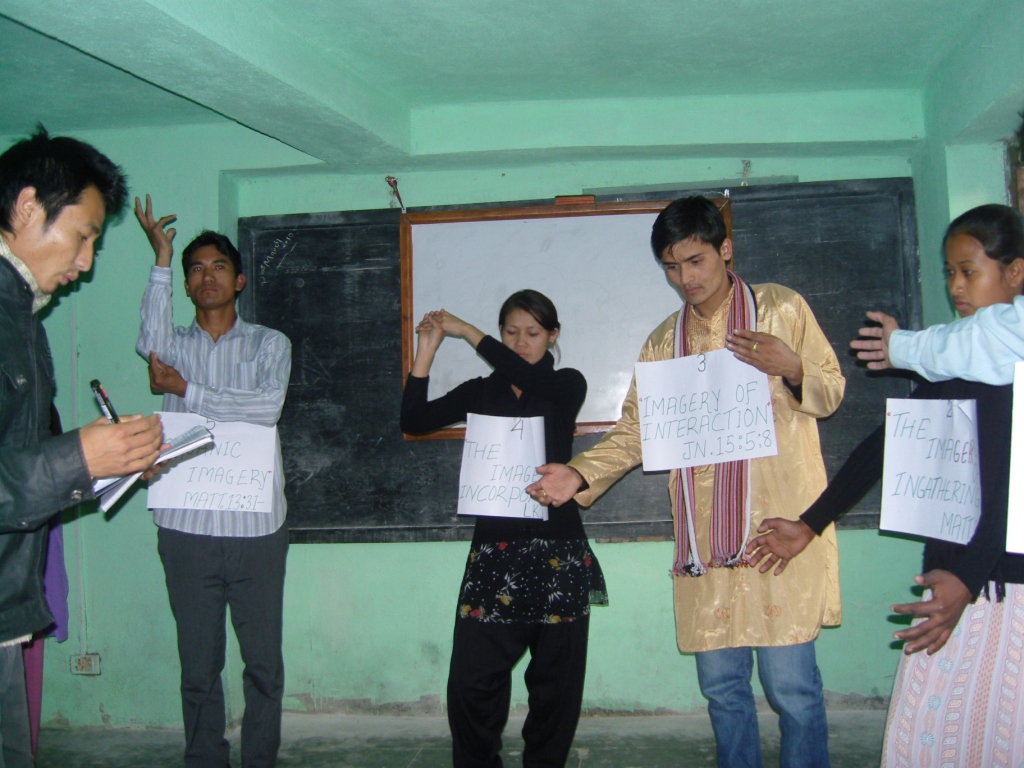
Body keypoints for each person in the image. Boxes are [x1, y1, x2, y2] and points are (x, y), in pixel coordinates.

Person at [526, 197, 845, 768]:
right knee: (723, 693)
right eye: (671, 267)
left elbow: (832, 391)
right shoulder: (662, 343)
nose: (685, 279)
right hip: (705, 547)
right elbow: (635, 432)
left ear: (725, 249)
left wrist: (792, 367)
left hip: (779, 532)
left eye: (695, 261)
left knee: (793, 691)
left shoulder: (781, 311)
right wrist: (579, 471)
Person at [745, 203, 1024, 766]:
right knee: (921, 738)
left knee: (990, 734)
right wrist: (808, 524)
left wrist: (969, 582)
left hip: (1001, 587)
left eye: (969, 271)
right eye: (949, 272)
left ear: (1015, 272)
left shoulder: (1011, 365)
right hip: (949, 578)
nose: (956, 286)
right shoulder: (954, 361)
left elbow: (1011, 488)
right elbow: (887, 444)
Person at [0, 127, 164, 767]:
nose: (87, 262)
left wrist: (109, 465)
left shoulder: (22, 317)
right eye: (86, 234)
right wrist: (78, 459)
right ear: (28, 207)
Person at [400, 291, 606, 768]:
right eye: (510, 332)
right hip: (495, 553)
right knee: (473, 682)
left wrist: (472, 333)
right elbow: (413, 419)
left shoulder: (565, 385)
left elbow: (528, 375)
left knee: (556, 684)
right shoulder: (480, 391)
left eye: (533, 333)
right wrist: (427, 350)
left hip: (558, 551)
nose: (520, 342)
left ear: (553, 336)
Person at [134, 195, 292, 768]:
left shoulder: (270, 344)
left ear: (240, 280)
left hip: (255, 528)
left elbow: (266, 407)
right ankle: (204, 760)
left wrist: (187, 391)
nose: (207, 276)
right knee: (198, 668)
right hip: (186, 527)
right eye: (195, 268)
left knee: (263, 666)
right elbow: (150, 349)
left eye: (219, 266)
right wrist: (159, 256)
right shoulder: (172, 345)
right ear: (186, 283)